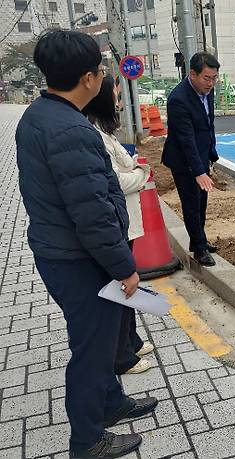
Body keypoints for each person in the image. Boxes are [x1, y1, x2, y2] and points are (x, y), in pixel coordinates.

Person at [16, 30, 158, 458]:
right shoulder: (70, 131)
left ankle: (112, 403)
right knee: (92, 351)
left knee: (104, 337)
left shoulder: (38, 115)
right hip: (79, 259)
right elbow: (92, 215)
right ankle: (87, 440)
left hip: (65, 252)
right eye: (100, 71)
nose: (103, 78)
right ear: (88, 79)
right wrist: (124, 268)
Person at [83, 76, 155, 376]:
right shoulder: (94, 135)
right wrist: (141, 174)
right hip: (116, 223)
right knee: (122, 287)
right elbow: (115, 180)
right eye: (115, 94)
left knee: (127, 286)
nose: (119, 101)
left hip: (124, 219)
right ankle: (122, 356)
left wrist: (137, 168)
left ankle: (131, 341)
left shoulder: (102, 131)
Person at [162, 52, 220, 267]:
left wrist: (210, 155)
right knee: (192, 205)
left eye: (214, 78)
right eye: (207, 78)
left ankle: (200, 241)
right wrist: (198, 171)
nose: (211, 83)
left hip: (201, 156)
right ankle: (199, 249)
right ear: (192, 74)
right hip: (183, 161)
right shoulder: (179, 99)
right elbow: (186, 139)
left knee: (201, 203)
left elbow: (207, 125)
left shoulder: (207, 91)